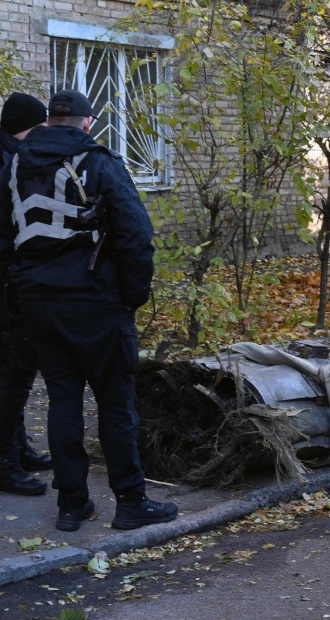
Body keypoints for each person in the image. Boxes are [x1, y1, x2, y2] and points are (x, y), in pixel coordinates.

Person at [0, 89, 178, 532]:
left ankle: (72, 506)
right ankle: (131, 502)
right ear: (86, 122)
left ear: (48, 121)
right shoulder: (98, 160)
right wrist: (132, 296)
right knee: (116, 405)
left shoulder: (15, 165)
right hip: (97, 304)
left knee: (63, 402)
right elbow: (136, 232)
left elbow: (5, 240)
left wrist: (23, 293)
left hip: (40, 306)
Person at [0, 92, 52, 496]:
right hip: (7, 283)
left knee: (16, 370)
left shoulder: (11, 154)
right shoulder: (10, 161)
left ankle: (17, 449)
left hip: (12, 279)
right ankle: (6, 463)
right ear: (32, 125)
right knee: (11, 374)